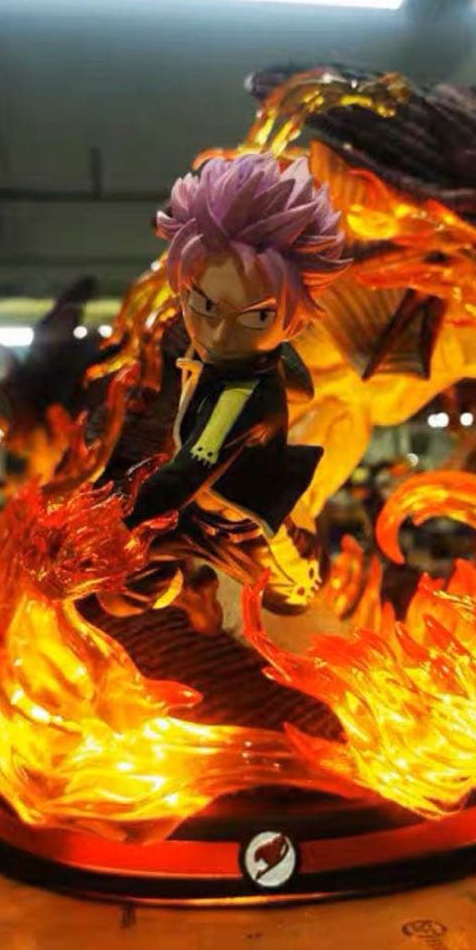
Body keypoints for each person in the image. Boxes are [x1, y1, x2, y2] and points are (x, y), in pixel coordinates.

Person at [123, 152, 349, 613]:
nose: (222, 334)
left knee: (288, 603)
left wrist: (121, 520)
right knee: (127, 590)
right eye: (205, 307)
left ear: (293, 323)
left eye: (256, 317)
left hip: (247, 536)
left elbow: (189, 470)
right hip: (199, 516)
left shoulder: (242, 396)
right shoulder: (224, 359)